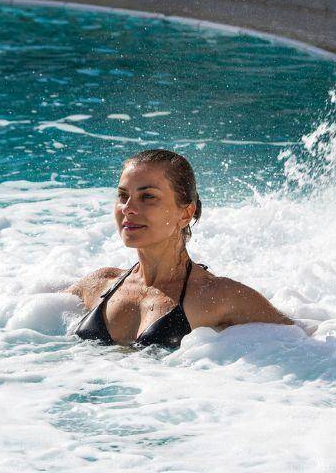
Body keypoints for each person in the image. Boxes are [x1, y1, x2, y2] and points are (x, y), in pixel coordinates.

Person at [67, 149, 295, 349]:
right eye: (123, 195)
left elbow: (300, 342)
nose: (128, 208)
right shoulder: (100, 283)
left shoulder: (216, 296)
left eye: (147, 196)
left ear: (186, 213)